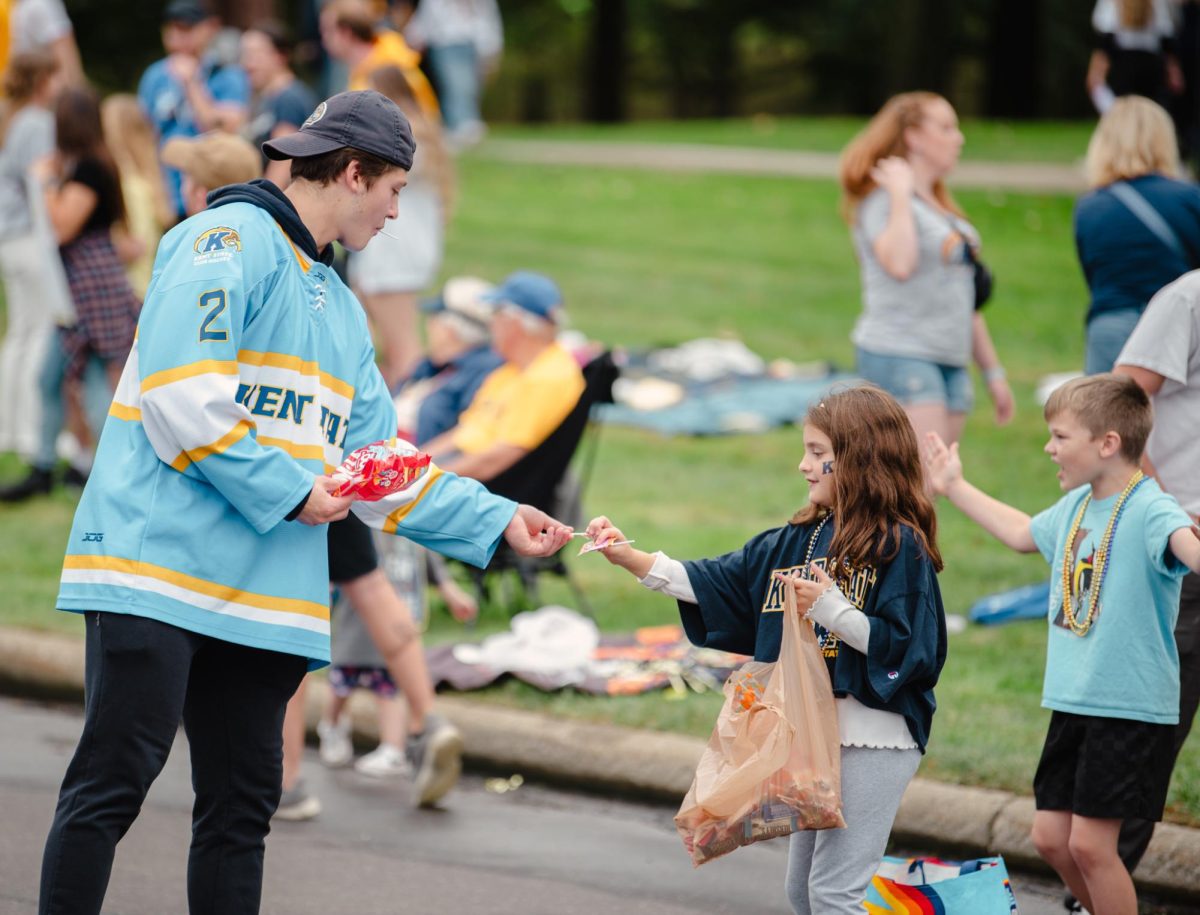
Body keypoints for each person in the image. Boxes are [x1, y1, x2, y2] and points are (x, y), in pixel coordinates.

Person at [36, 88, 572, 915]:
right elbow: (186, 395)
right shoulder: (222, 239)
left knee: (243, 812)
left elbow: (378, 464)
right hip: (157, 572)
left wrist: (495, 517)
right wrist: (292, 490)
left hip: (263, 600)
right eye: (396, 190)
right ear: (353, 173)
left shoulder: (343, 309)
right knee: (112, 785)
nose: (398, 213)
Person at [587, 384, 947, 915]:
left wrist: (833, 610)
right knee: (801, 894)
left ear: (861, 459)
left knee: (834, 894)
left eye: (819, 454)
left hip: (875, 737)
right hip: (813, 734)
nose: (804, 465)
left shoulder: (899, 545)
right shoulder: (800, 537)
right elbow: (715, 582)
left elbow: (909, 649)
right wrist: (629, 558)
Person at [924, 374, 1200, 915]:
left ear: (1108, 443)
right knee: (1052, 837)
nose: (1048, 447)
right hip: (1074, 700)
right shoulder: (1076, 508)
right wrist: (954, 486)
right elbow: (1024, 534)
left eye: (1059, 436)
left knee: (1092, 846)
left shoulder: (1150, 507)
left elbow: (1186, 545)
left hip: (1128, 706)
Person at [839, 91, 1014, 450]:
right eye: (947, 128)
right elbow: (899, 264)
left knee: (933, 487)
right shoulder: (883, 200)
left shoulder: (941, 208)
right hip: (902, 352)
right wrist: (901, 194)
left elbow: (966, 298)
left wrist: (992, 372)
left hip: (950, 357)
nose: (959, 138)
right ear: (913, 137)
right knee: (917, 487)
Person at [0, 85, 140, 503]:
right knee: (55, 376)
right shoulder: (89, 164)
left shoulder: (90, 169)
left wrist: (44, 184)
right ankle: (51, 466)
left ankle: (105, 468)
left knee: (95, 376)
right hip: (80, 282)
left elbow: (64, 226)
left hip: (88, 284)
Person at [1112, 274, 1200, 879]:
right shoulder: (1189, 299)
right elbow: (1117, 400)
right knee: (1155, 721)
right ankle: (1103, 879)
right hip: (1185, 545)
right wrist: (1164, 510)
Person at [1074, 95, 1200, 375]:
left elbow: (1094, 276)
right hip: (1175, 328)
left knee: (1099, 415)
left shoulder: (1090, 206)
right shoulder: (1190, 198)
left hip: (1110, 327)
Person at [347, 63, 454, 385]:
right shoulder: (418, 131)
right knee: (376, 341)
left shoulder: (408, 137)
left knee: (402, 346)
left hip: (396, 249)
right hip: (397, 246)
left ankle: (409, 418)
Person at [425, 270, 585, 482]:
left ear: (514, 322)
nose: (490, 323)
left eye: (494, 313)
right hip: (462, 469)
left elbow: (496, 459)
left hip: (485, 485)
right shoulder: (511, 370)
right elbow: (463, 433)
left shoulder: (550, 377)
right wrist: (413, 462)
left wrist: (427, 480)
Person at [137, 0, 250, 221]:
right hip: (166, 194)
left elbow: (227, 129)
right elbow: (143, 137)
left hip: (215, 195)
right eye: (171, 29)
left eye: (186, 29)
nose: (177, 37)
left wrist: (191, 83)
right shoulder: (155, 76)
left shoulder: (227, 74)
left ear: (208, 28)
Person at [0, 49, 59, 460]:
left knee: (19, 332)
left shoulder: (10, 117)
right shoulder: (37, 121)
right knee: (39, 331)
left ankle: (9, 430)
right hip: (28, 233)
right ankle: (31, 432)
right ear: (42, 81)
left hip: (7, 235)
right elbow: (39, 183)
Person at [393, 274, 502, 445]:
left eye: (434, 317)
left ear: (450, 329)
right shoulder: (430, 366)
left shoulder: (483, 375)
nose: (428, 325)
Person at [100, 94, 175, 299]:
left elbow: (135, 246)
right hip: (146, 288)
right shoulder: (151, 180)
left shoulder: (127, 185)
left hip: (125, 292)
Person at [403, 0, 503, 149]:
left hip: (473, 44)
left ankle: (463, 123)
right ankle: (462, 125)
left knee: (469, 85)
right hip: (445, 43)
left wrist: (491, 47)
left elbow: (489, 20)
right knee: (454, 83)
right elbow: (427, 17)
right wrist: (413, 37)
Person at [319, 0, 438, 116]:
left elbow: (413, 128)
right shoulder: (372, 67)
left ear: (346, 33)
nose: (323, 40)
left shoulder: (386, 73)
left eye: (327, 31)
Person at [240, 19, 319, 188]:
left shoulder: (289, 98)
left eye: (255, 54)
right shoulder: (267, 98)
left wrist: (261, 203)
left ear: (280, 56)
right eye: (244, 55)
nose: (247, 64)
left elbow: (283, 162)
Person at [1088, 0, 1181, 113]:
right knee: (1149, 111)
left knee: (1123, 109)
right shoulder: (1158, 4)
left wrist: (1096, 72)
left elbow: (1105, 41)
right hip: (1150, 66)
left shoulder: (1110, 4)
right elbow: (1166, 39)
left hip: (1123, 66)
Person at [159, 129, 263, 218]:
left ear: (200, 196)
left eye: (186, 177)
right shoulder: (264, 229)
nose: (183, 190)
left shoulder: (191, 239)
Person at [8, 0, 81, 86]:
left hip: (47, 89)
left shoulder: (41, 4)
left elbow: (64, 54)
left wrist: (74, 90)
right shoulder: (20, 6)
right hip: (33, 90)